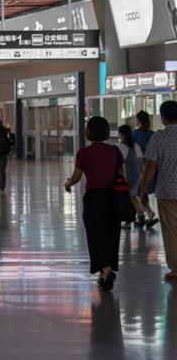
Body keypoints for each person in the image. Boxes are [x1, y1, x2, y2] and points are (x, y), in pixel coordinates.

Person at [64, 116, 123, 291]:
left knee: (95, 236)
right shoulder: (115, 151)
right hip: (113, 198)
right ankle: (106, 271)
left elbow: (76, 177)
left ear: (88, 132)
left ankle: (104, 270)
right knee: (112, 235)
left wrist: (67, 184)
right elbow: (123, 176)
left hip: (94, 200)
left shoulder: (84, 153)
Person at [140, 100, 177, 284]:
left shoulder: (158, 137)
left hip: (167, 191)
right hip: (167, 191)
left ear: (163, 118)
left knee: (171, 231)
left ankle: (176, 270)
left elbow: (150, 165)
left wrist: (143, 189)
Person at [117, 124, 152, 228]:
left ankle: (130, 219)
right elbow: (141, 162)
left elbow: (117, 164)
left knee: (126, 199)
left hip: (125, 177)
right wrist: (141, 176)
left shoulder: (119, 147)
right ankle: (141, 214)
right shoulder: (136, 145)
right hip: (137, 176)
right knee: (132, 197)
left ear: (121, 134)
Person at [134, 110, 161, 229]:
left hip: (140, 168)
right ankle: (145, 214)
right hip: (154, 168)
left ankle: (147, 213)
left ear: (138, 120)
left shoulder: (134, 134)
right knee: (142, 192)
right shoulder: (153, 134)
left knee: (138, 192)